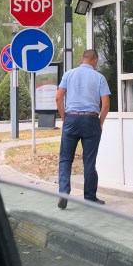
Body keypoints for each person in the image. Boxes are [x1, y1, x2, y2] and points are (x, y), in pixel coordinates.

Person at [56, 49, 110, 208]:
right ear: (95, 61)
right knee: (89, 161)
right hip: (90, 120)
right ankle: (90, 197)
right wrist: (100, 122)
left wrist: (64, 117)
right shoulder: (99, 77)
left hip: (71, 118)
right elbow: (106, 103)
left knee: (65, 159)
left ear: (82, 59)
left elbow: (58, 98)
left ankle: (63, 192)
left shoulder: (68, 74)